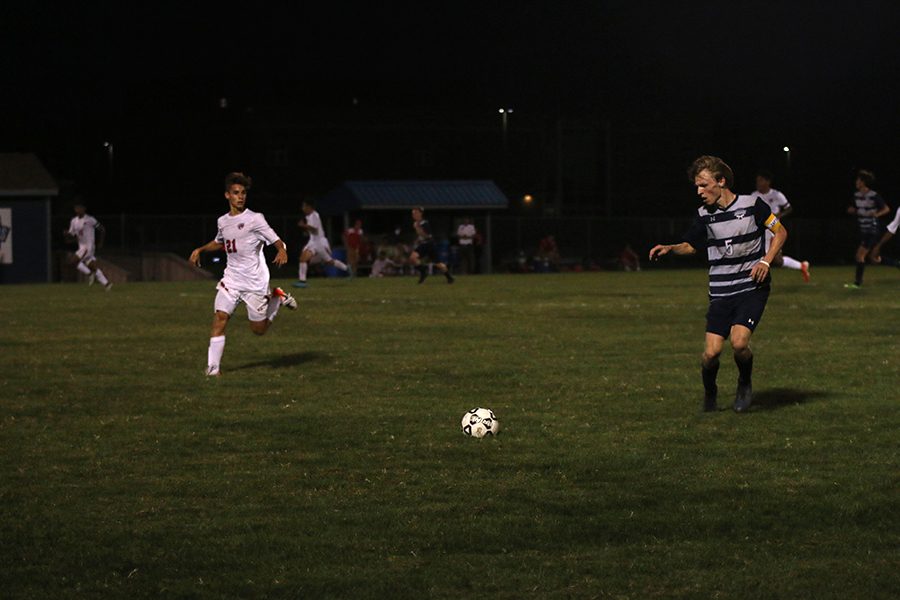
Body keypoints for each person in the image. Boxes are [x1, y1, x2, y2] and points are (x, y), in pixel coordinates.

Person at [649, 155, 787, 413]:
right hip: (721, 292)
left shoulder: (752, 205)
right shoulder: (704, 215)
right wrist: (670, 248)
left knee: (739, 343)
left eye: (703, 185)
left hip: (750, 288)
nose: (699, 192)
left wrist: (766, 262)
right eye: (697, 187)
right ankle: (710, 392)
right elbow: (690, 245)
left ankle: (744, 382)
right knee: (711, 354)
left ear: (721, 181)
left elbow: (780, 232)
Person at [189, 172, 298, 377]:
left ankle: (276, 297)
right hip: (231, 279)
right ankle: (213, 369)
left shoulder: (255, 219)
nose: (241, 197)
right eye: (236, 193)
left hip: (255, 283)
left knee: (259, 330)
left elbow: (276, 240)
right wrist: (201, 249)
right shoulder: (222, 221)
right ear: (227, 195)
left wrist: (281, 250)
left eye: (243, 193)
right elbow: (220, 241)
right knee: (220, 317)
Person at [754, 170, 810, 282]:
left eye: (760, 180)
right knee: (774, 259)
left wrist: (778, 215)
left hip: (773, 229)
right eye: (757, 181)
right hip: (760, 230)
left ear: (767, 182)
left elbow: (789, 208)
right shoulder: (754, 195)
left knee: (774, 259)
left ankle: (758, 281)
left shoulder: (776, 194)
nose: (758, 183)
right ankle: (801, 266)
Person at [845, 169, 890, 288]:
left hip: (871, 229)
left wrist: (877, 214)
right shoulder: (856, 195)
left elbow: (886, 209)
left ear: (863, 182)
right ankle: (896, 264)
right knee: (873, 257)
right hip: (863, 228)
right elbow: (855, 209)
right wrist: (853, 211)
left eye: (858, 180)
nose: (856, 182)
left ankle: (857, 283)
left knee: (859, 255)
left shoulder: (874, 195)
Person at [294, 200, 350, 288]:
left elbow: (315, 230)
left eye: (304, 206)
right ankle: (302, 281)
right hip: (313, 242)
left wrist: (304, 226)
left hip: (318, 243)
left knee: (327, 261)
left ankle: (302, 281)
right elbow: (313, 230)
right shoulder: (309, 216)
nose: (303, 208)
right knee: (306, 259)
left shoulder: (315, 215)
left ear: (309, 207)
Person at [64, 203, 112, 290]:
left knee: (73, 261)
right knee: (92, 266)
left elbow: (102, 229)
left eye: (80, 208)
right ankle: (107, 284)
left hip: (88, 247)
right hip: (81, 247)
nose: (78, 210)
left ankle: (90, 274)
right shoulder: (73, 221)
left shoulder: (90, 219)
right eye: (76, 208)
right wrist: (67, 234)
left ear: (84, 209)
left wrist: (101, 242)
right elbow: (72, 234)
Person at [409, 206, 454, 284]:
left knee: (413, 258)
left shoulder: (424, 223)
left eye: (415, 213)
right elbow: (421, 236)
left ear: (420, 214)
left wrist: (418, 228)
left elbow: (427, 236)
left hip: (428, 244)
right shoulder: (417, 223)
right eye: (413, 213)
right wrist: (417, 240)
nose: (413, 215)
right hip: (428, 244)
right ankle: (449, 277)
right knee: (438, 263)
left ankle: (424, 271)